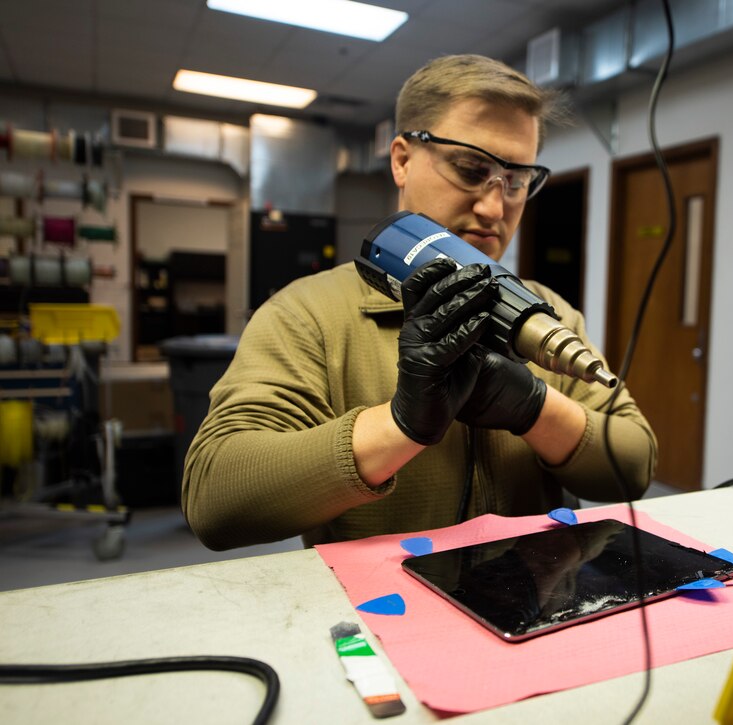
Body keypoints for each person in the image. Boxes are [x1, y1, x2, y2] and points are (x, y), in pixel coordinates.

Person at [181, 54, 657, 550]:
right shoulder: (308, 314)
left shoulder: (548, 311)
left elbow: (634, 465)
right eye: (472, 169)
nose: (495, 207)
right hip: (386, 617)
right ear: (402, 160)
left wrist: (535, 409)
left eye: (516, 181)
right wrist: (399, 425)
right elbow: (216, 501)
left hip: (533, 612)